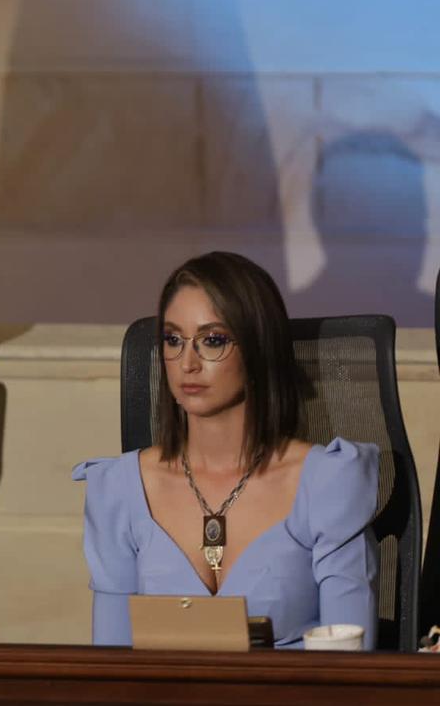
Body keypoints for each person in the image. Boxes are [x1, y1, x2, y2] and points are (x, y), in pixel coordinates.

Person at [72, 251, 379, 649]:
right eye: (173, 340)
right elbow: (110, 667)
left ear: (257, 349)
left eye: (212, 340)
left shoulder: (327, 482)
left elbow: (353, 670)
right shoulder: (118, 489)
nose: (188, 363)